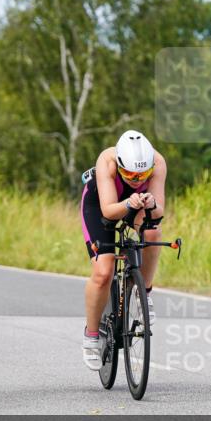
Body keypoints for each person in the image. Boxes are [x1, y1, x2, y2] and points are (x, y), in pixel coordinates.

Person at [79, 130, 166, 370]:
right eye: (129, 174)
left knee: (153, 234)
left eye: (142, 175)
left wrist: (152, 204)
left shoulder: (158, 163)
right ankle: (91, 336)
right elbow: (108, 211)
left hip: (136, 205)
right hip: (101, 206)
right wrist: (129, 202)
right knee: (103, 272)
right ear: (119, 164)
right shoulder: (106, 161)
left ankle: (143, 292)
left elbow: (158, 213)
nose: (136, 180)